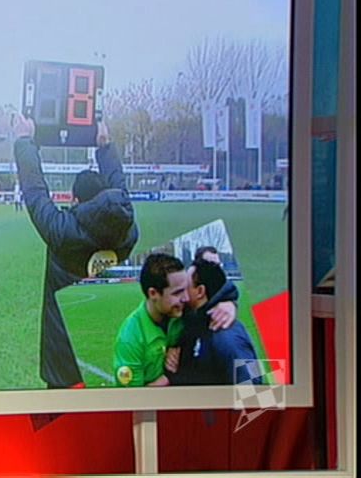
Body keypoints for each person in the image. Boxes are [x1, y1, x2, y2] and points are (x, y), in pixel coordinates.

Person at [13, 113, 138, 388]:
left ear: (76, 199)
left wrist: (24, 141)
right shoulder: (128, 233)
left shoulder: (63, 232)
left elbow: (35, 193)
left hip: (64, 365)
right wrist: (105, 148)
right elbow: (120, 193)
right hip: (110, 351)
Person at [169, 258, 259, 385]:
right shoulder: (194, 321)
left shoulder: (228, 337)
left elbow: (254, 390)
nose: (181, 295)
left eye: (185, 287)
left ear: (200, 291)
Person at [113, 253, 190, 387]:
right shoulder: (130, 340)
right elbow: (133, 397)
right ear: (153, 293)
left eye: (186, 289)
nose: (186, 298)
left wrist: (227, 305)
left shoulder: (183, 313)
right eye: (177, 293)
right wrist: (168, 379)